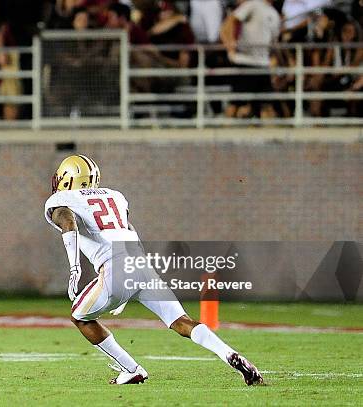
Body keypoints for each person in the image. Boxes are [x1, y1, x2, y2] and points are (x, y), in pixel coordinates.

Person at [44, 155, 263, 385]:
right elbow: (129, 231)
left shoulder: (61, 199)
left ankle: (131, 369)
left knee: (79, 317)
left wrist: (75, 268)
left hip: (114, 269)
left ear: (69, 179)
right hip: (140, 264)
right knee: (181, 321)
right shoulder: (115, 196)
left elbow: (69, 223)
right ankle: (230, 355)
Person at [220, 0, 280, 118]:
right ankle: (223, 132)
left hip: (263, 64)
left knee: (267, 104)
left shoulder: (274, 14)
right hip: (245, 61)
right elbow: (231, 21)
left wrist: (273, 63)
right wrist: (230, 46)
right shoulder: (252, 4)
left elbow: (273, 43)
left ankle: (271, 135)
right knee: (236, 103)